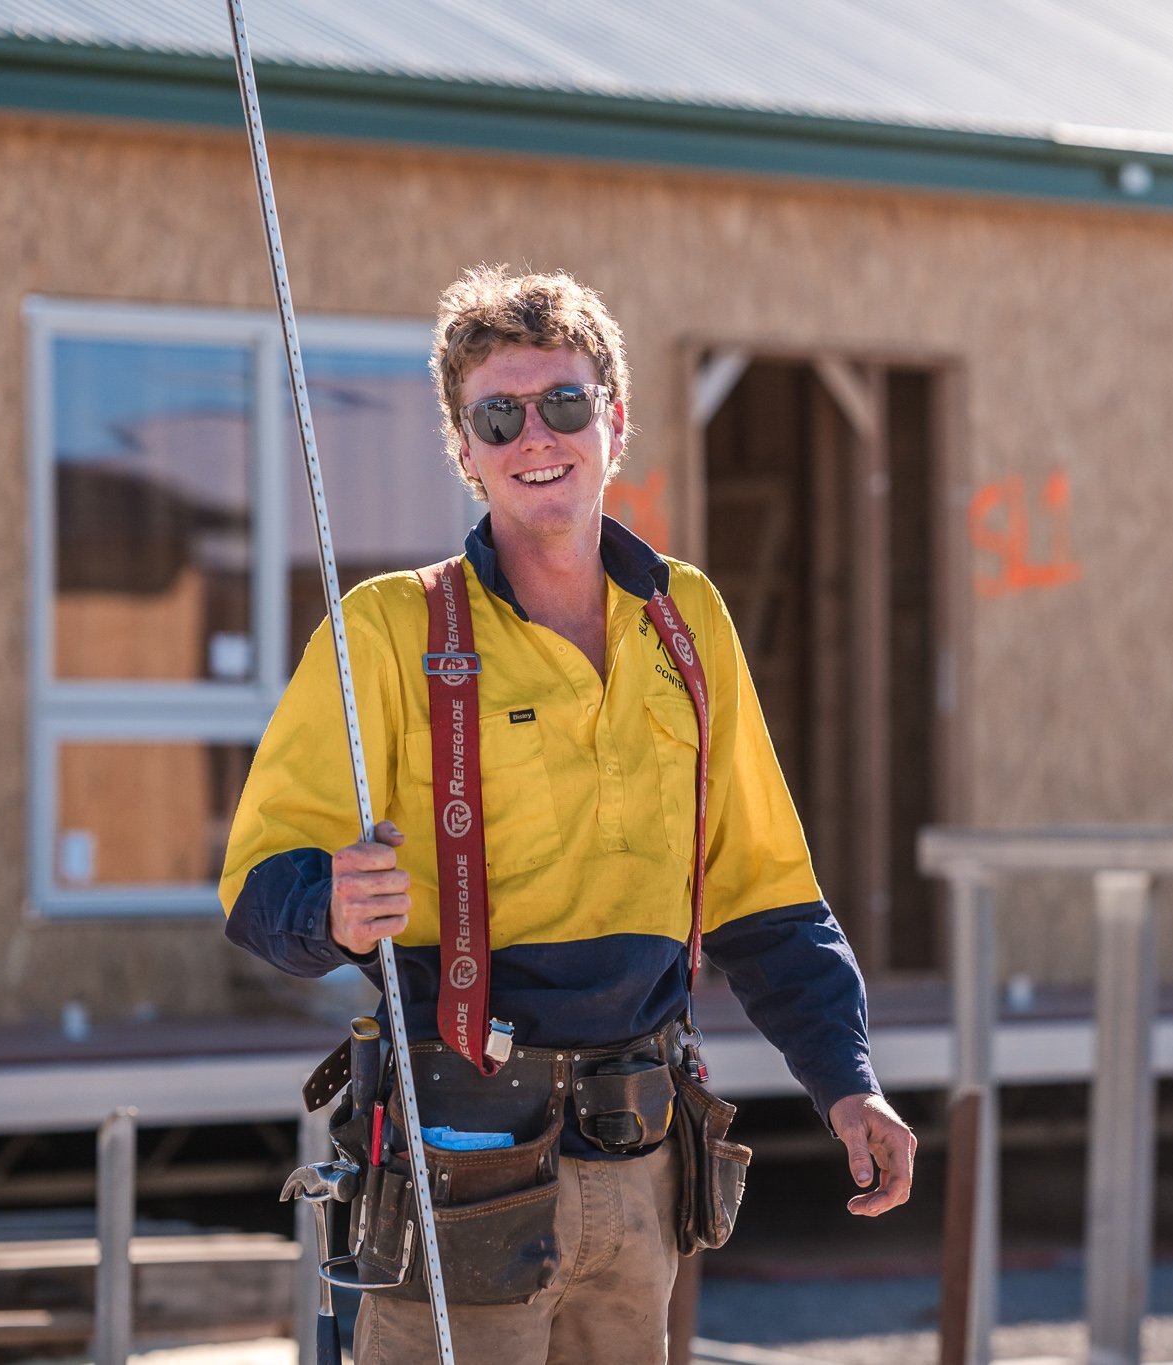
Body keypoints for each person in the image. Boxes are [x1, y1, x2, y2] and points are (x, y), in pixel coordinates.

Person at [219, 265, 914, 1364]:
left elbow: (766, 896)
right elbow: (259, 891)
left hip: (642, 1166)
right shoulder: (384, 634)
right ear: (462, 447)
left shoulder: (688, 624)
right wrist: (332, 908)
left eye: (564, 403)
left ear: (615, 420)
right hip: (458, 1167)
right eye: (498, 414)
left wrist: (847, 1083)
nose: (533, 434)